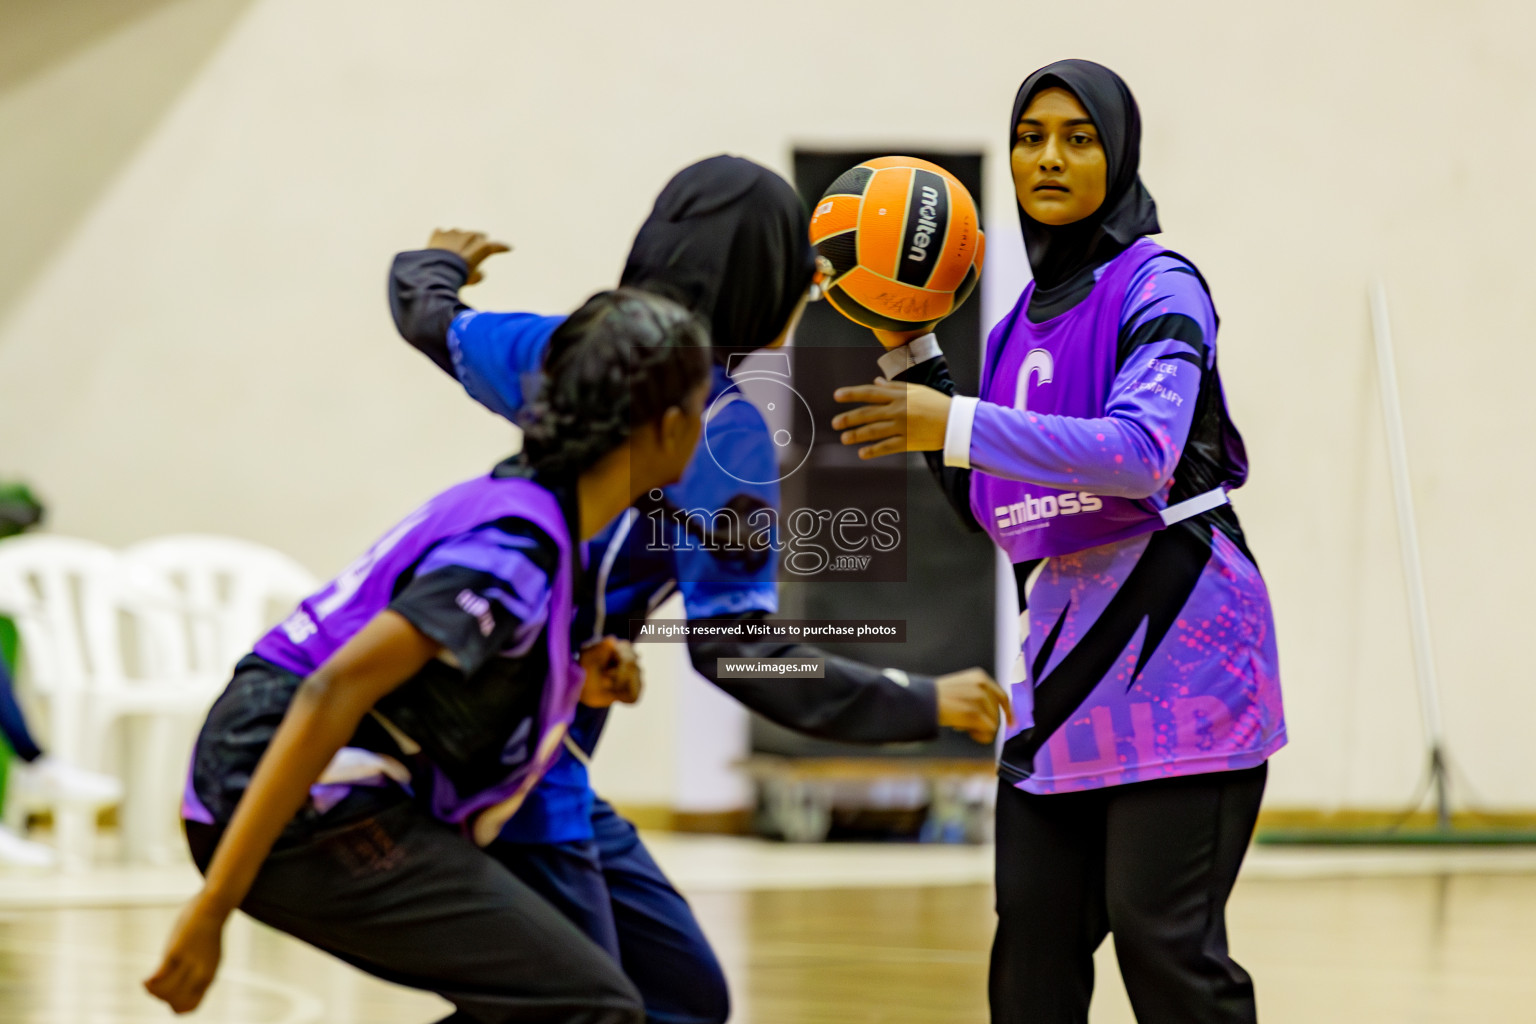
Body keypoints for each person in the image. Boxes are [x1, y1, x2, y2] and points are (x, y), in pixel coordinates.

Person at [388, 154, 1010, 1024]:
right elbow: (742, 654)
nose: (814, 287)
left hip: (492, 720)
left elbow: (429, 318)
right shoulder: (724, 434)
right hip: (509, 748)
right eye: (801, 270)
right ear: (764, 286)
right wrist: (920, 700)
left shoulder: (564, 351)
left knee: (678, 995)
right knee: (586, 1010)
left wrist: (437, 262)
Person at [831, 60, 1285, 1024]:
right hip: (1065, 680)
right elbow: (998, 507)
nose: (1049, 156)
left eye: (1078, 138)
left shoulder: (1162, 286)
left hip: (1183, 672)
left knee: (1165, 950)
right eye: (1031, 135)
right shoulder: (1004, 335)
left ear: (1118, 154)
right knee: (1031, 949)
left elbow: (1140, 454)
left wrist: (947, 422)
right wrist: (915, 351)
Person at [144, 288, 711, 1023]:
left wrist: (568, 675)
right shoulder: (513, 551)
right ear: (668, 428)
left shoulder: (524, 505)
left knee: (567, 1000)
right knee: (588, 1006)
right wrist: (213, 906)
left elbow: (440, 672)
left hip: (279, 773)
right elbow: (331, 687)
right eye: (702, 407)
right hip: (288, 799)